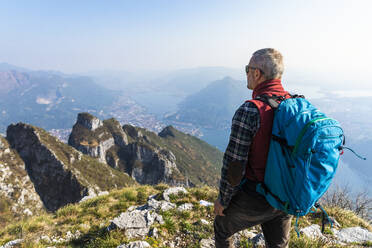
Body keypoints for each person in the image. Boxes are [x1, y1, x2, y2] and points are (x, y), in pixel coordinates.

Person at [214, 48, 293, 248]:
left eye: (247, 69)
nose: (247, 73)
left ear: (256, 73)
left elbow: (234, 164)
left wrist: (223, 200)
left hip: (258, 196)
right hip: (287, 194)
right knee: (278, 244)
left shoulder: (250, 110)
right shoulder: (293, 104)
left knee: (222, 227)